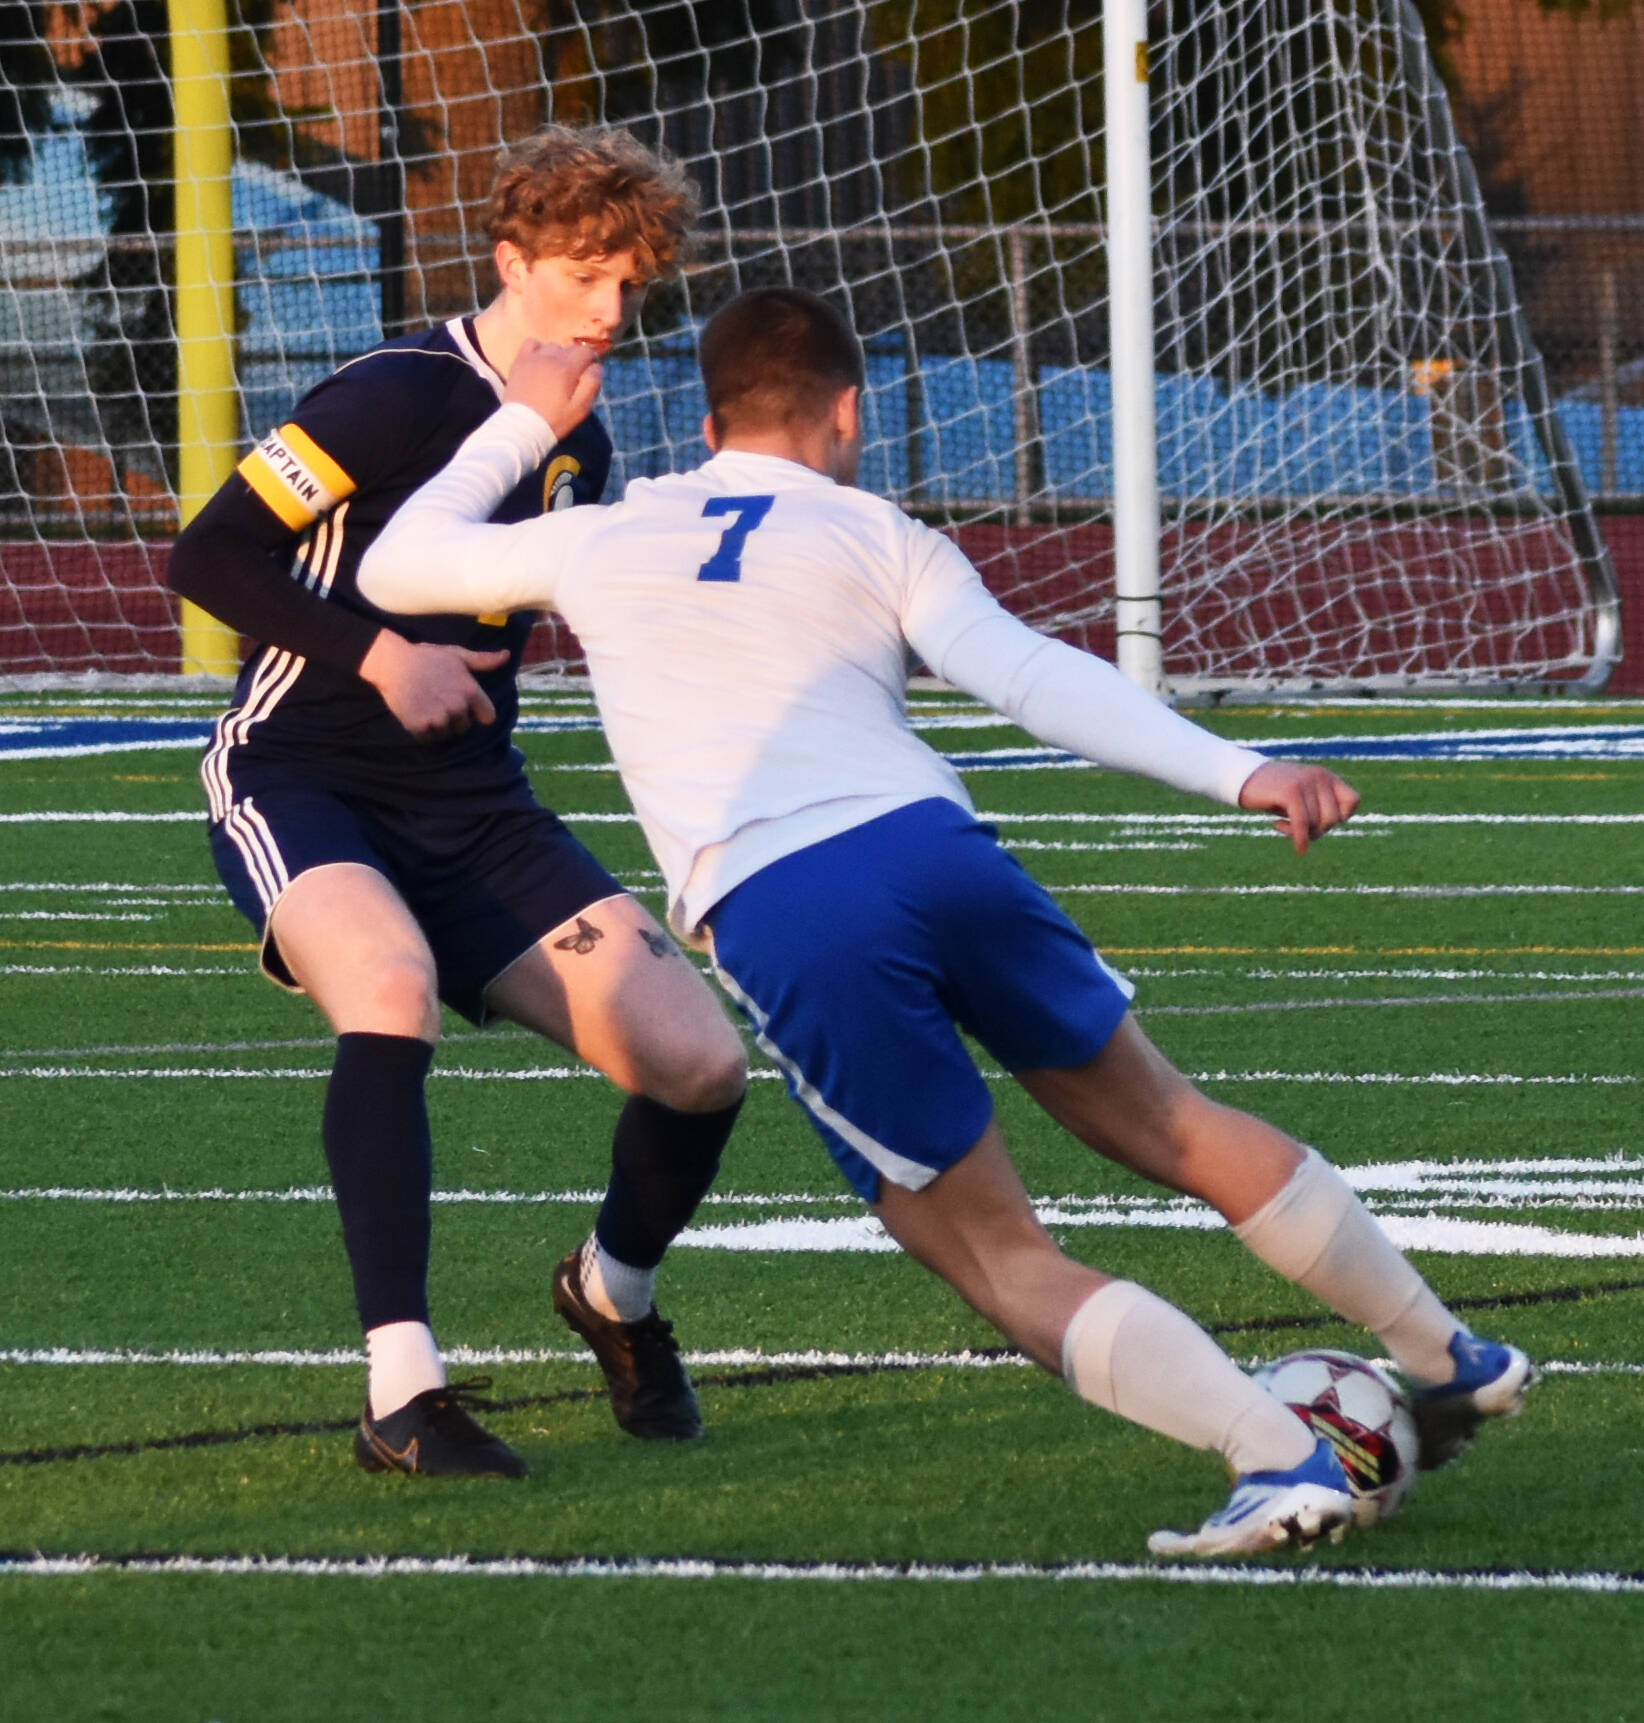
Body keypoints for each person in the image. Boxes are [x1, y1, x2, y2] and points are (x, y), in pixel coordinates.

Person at [356, 287, 1536, 1555]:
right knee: (1176, 1122)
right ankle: (1446, 1350)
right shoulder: (879, 529)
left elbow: (390, 565)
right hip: (944, 851)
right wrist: (1236, 769)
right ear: (848, 410)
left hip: (793, 902)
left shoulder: (602, 534)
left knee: (995, 1253)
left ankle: (1275, 1458)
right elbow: (1031, 674)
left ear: (706, 421)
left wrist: (521, 424)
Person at [166, 127, 750, 1479]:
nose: (612, 312)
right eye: (589, 277)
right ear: (511, 263)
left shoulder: (577, 442)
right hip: (300, 773)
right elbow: (208, 550)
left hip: (471, 806)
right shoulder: (394, 392)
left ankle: (613, 1289)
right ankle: (402, 1390)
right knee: (388, 985)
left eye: (632, 285)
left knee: (702, 1064)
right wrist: (378, 653)